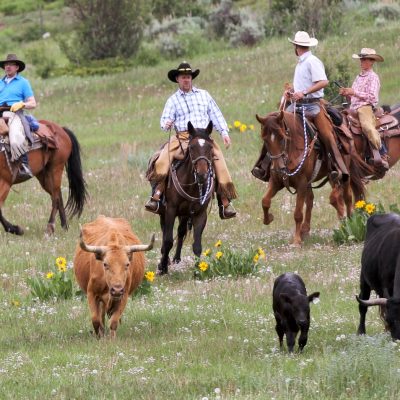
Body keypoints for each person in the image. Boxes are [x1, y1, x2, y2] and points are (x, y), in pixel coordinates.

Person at [145, 61, 237, 219]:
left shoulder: (204, 95)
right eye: (183, 77)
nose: (186, 80)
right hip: (182, 137)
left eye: (188, 77)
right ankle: (157, 195)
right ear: (177, 80)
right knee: (162, 159)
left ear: (191, 78)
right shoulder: (172, 100)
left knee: (220, 162)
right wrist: (166, 124)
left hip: (203, 137)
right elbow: (165, 120)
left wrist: (224, 132)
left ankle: (225, 202)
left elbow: (216, 114)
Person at [281, 31, 349, 182]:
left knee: (327, 136)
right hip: (297, 105)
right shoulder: (300, 63)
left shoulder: (312, 61)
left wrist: (304, 92)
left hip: (313, 106)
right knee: (278, 125)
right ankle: (272, 164)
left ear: (296, 46)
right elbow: (302, 85)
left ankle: (338, 168)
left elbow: (323, 82)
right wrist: (291, 92)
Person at [339, 48, 388, 170]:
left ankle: (382, 152)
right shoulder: (359, 77)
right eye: (361, 59)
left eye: (364, 59)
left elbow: (372, 97)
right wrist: (347, 93)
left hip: (365, 107)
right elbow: (354, 96)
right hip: (353, 107)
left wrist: (354, 92)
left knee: (367, 127)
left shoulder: (373, 77)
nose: (361, 62)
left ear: (371, 62)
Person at [0, 53, 37, 178]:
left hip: (14, 113)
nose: (8, 67)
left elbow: (33, 103)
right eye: (6, 64)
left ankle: (24, 166)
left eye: (11, 65)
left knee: (15, 137)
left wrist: (22, 104)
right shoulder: (0, 82)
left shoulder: (23, 82)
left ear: (17, 68)